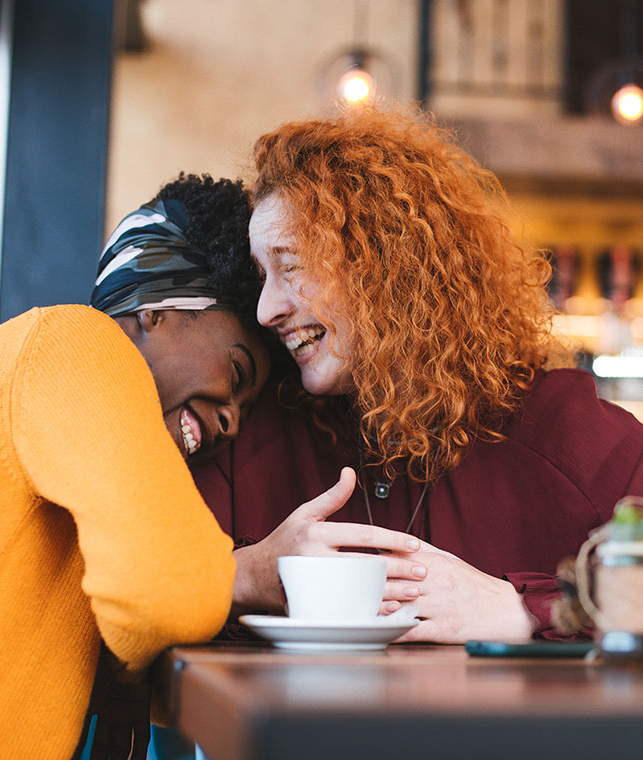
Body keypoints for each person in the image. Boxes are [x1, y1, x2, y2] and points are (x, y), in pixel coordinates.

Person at [190, 106, 643, 642]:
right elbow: (123, 593)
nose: (267, 310)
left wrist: (526, 611)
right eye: (264, 275)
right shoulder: (252, 433)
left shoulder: (564, 431)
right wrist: (247, 573)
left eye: (292, 267)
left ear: (384, 267)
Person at [0, 173, 270, 759]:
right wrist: (252, 575)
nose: (233, 422)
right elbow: (167, 596)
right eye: (237, 374)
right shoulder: (77, 341)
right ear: (159, 308)